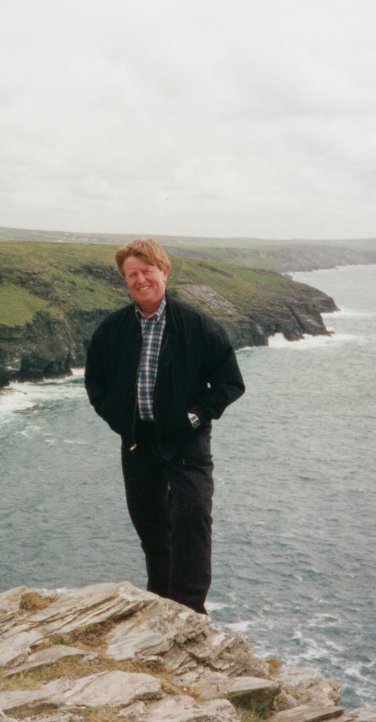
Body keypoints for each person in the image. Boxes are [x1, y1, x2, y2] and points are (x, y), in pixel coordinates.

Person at [84, 238, 245, 614]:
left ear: (165, 272)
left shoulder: (197, 326)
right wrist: (118, 419)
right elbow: (96, 381)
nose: (140, 280)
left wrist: (194, 416)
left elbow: (230, 383)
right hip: (138, 441)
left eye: (147, 271)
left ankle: (190, 612)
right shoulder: (113, 329)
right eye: (132, 275)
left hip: (186, 441)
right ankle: (159, 601)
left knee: (193, 521)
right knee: (151, 526)